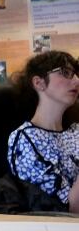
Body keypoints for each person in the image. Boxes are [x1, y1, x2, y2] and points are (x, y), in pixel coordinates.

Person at [6, 50, 79, 213]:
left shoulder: (75, 131)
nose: (76, 81)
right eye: (65, 73)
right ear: (38, 83)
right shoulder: (25, 139)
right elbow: (70, 209)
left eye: (75, 74)